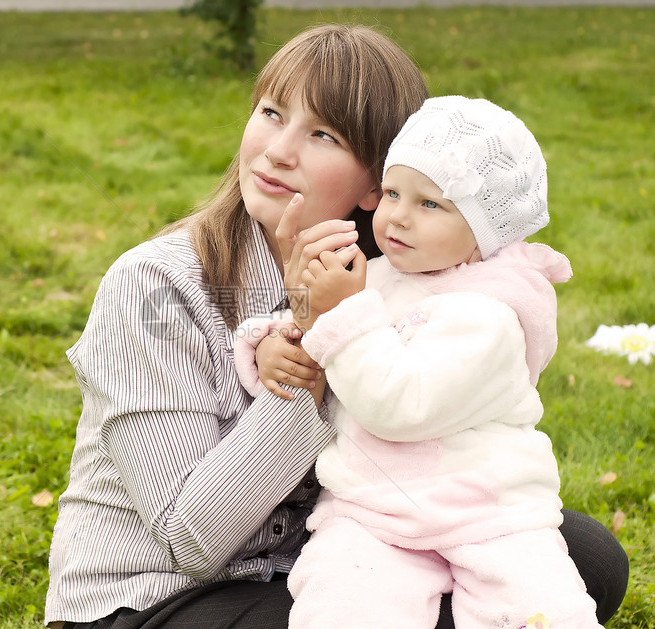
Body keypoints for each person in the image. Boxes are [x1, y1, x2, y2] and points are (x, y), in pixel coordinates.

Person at [44, 25, 628, 629]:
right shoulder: (153, 286)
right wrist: (316, 354)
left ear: (380, 181)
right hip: (158, 596)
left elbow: (439, 417)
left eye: (322, 134)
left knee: (584, 559)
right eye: (271, 113)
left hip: (331, 554)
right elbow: (189, 541)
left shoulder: (397, 279)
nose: (277, 150)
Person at [234, 96, 611, 628]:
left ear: (486, 233)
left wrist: (342, 313)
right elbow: (321, 329)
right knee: (341, 607)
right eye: (391, 193)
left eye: (430, 204)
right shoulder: (384, 276)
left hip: (488, 515)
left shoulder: (491, 317)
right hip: (369, 514)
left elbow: (399, 402)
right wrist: (274, 343)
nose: (397, 217)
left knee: (539, 611)